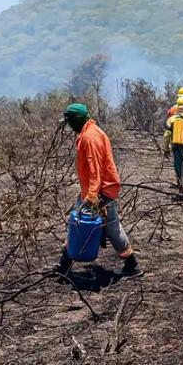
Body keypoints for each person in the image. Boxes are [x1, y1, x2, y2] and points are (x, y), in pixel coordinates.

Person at [54, 103, 142, 279]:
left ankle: (132, 264)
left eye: (70, 122)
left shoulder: (90, 137)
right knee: (76, 223)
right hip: (93, 190)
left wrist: (93, 195)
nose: (69, 126)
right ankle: (64, 264)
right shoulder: (90, 132)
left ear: (76, 121)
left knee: (111, 228)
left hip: (101, 191)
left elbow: (96, 170)